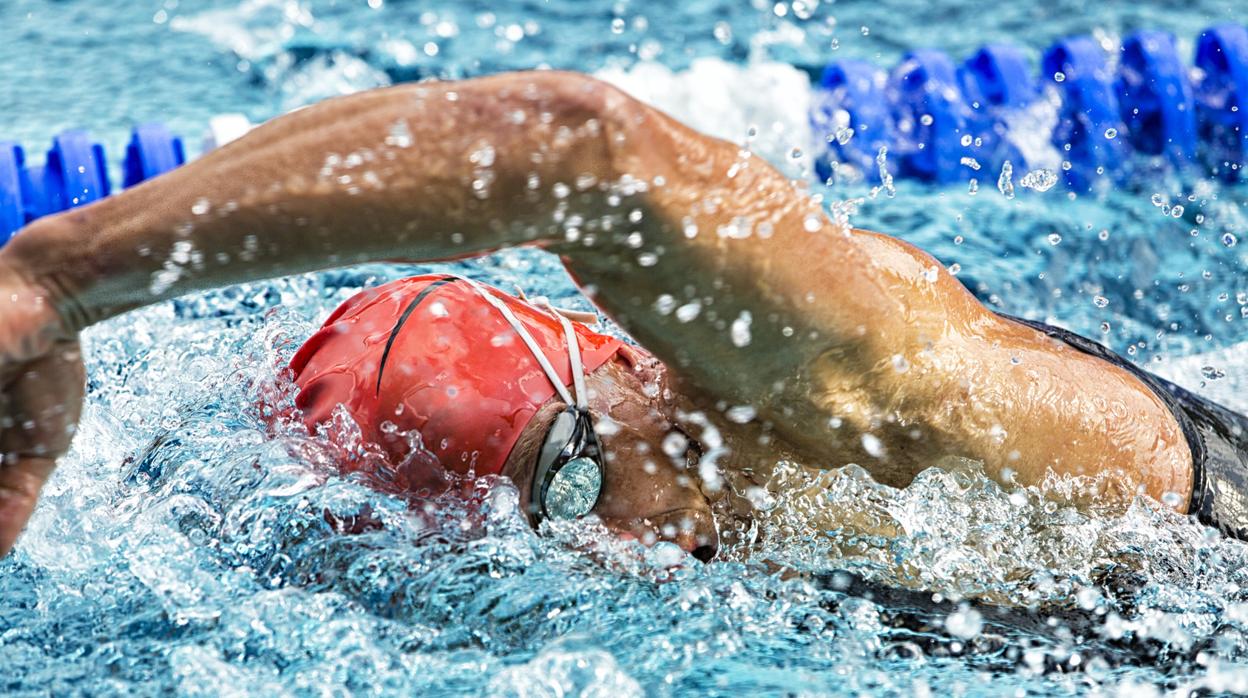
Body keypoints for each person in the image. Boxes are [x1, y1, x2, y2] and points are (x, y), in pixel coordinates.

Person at [0, 70, 1243, 561]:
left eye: (572, 474)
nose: (594, 548)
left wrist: (59, 278)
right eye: (531, 527)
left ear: (624, 359)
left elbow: (573, 144)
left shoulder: (857, 388)